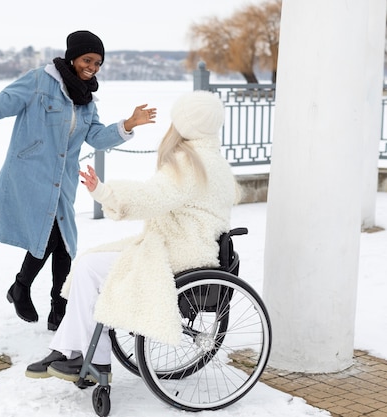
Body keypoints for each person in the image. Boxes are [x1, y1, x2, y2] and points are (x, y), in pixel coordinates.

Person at [24, 90, 240, 381]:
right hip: (190, 246)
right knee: (91, 263)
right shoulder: (213, 161)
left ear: (185, 124)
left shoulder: (189, 163)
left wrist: (104, 192)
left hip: (178, 251)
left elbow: (153, 197)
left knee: (89, 268)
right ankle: (71, 351)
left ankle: (88, 358)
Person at [0, 30, 157, 331]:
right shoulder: (39, 81)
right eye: (88, 60)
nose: (93, 68)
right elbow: (1, 103)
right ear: (73, 57)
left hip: (61, 183)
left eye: (98, 63)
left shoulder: (87, 100)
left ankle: (48, 304)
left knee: (64, 244)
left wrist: (128, 124)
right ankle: (37, 296)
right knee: (52, 237)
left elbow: (96, 137)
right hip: (29, 176)